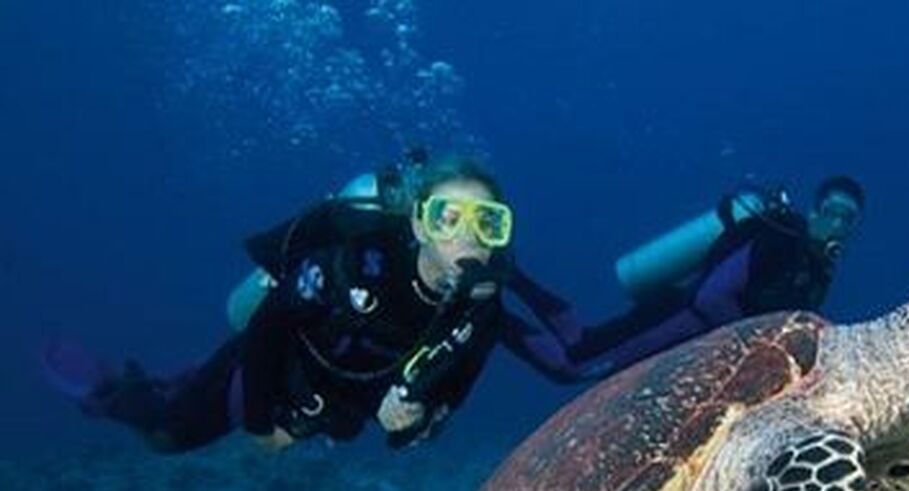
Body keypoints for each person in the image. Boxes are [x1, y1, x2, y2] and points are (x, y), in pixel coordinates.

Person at [45, 155, 543, 452]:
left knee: (194, 401)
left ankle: (171, 381)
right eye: (447, 217)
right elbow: (266, 329)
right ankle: (108, 393)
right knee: (169, 435)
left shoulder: (481, 314)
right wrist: (263, 428)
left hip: (331, 404)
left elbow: (446, 401)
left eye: (488, 222)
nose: (468, 238)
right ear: (418, 224)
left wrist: (408, 425)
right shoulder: (355, 263)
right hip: (276, 367)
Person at [502, 175, 866, 381]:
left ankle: (510, 278)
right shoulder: (780, 237)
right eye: (831, 211)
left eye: (847, 218)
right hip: (676, 319)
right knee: (573, 365)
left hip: (698, 338)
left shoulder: (818, 270)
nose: (836, 224)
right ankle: (496, 312)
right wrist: (754, 345)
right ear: (814, 209)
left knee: (582, 342)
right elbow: (710, 297)